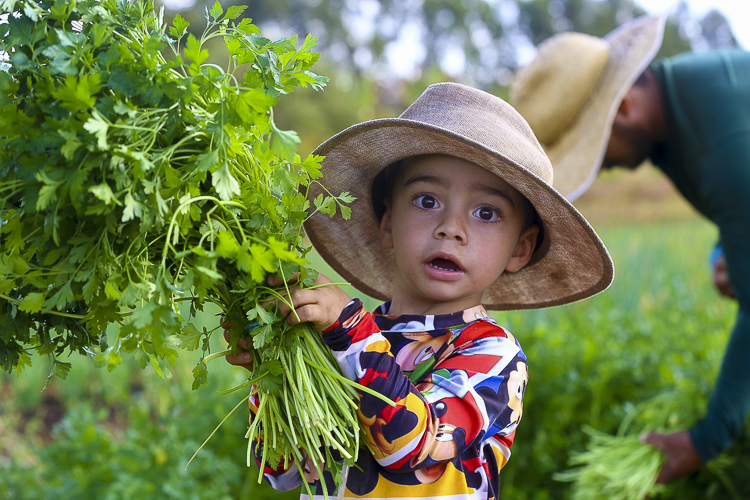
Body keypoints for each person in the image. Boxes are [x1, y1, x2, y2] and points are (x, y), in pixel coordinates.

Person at [225, 82, 614, 499]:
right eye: (427, 201)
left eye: (486, 213)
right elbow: (284, 472)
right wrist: (276, 373)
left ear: (520, 248)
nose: (451, 227)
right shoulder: (346, 338)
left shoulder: (493, 355)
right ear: (388, 223)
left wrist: (348, 329)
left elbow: (416, 448)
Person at [509, 13, 750, 484]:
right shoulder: (685, 111)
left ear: (622, 111)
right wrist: (724, 256)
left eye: (603, 153)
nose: (610, 169)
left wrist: (704, 440)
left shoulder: (718, 143)